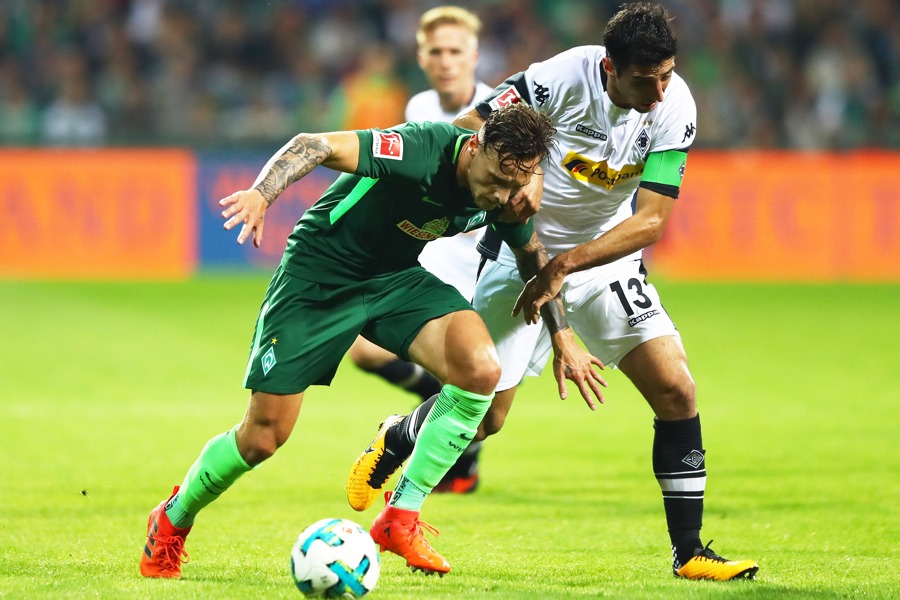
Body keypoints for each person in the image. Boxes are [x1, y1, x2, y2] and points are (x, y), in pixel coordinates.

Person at [347, 2, 759, 581]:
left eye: (667, 75)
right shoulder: (558, 78)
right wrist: (504, 187)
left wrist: (566, 266)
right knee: (485, 417)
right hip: (519, 255)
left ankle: (688, 552)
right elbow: (475, 128)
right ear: (611, 68)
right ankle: (402, 433)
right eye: (648, 80)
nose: (661, 92)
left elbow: (651, 221)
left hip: (602, 260)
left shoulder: (675, 106)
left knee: (676, 387)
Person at [139, 102, 605, 579]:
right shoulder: (421, 149)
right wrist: (262, 193)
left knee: (481, 370)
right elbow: (312, 144)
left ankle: (399, 519)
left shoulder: (507, 195)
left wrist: (562, 333)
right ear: (475, 146)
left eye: (516, 184)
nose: (503, 196)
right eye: (497, 180)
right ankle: (171, 520)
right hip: (319, 277)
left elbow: (533, 256)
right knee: (263, 437)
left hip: (394, 280)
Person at [346, 6, 495, 495]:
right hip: (432, 252)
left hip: (484, 261)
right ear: (422, 56)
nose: (446, 61)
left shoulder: (502, 109)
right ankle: (460, 453)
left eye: (455, 51)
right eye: (436, 52)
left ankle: (444, 458)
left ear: (474, 55)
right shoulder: (419, 107)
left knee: (476, 387)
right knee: (367, 353)